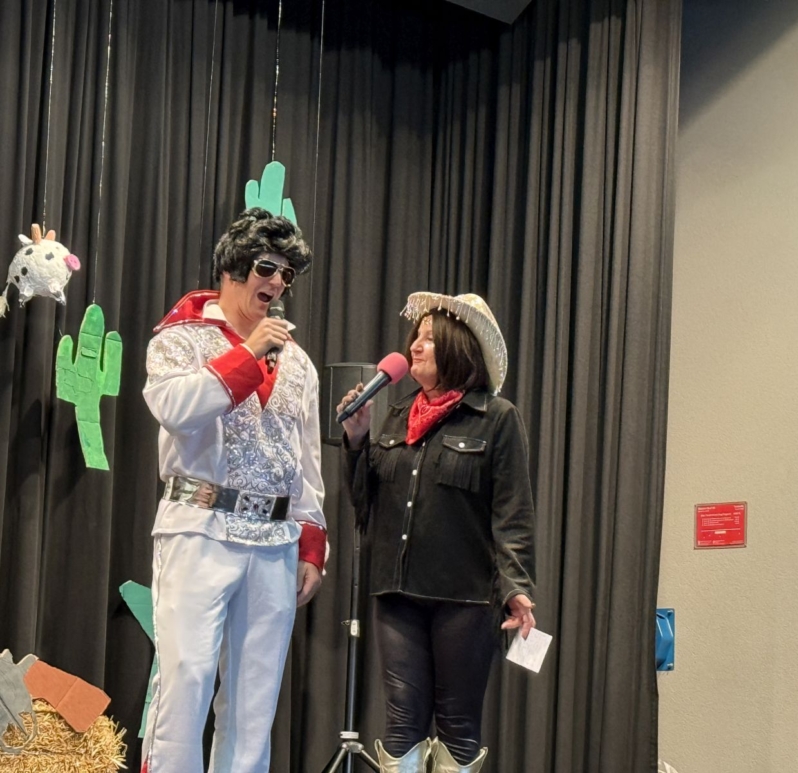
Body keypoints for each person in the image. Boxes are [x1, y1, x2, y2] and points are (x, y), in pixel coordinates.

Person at [140, 208, 328, 773]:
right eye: (267, 267)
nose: (277, 283)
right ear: (233, 267)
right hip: (199, 528)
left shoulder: (299, 362)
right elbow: (174, 410)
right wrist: (246, 356)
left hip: (274, 542)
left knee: (255, 700)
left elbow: (307, 458)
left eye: (287, 274)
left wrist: (311, 541)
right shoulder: (180, 339)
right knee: (188, 677)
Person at [338, 292, 536, 773]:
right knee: (401, 723)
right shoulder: (397, 414)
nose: (415, 346)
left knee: (457, 725)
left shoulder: (497, 418)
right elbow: (365, 504)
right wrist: (357, 440)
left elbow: (512, 513)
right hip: (397, 593)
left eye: (429, 338)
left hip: (465, 598)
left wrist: (516, 586)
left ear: (458, 348)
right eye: (417, 336)